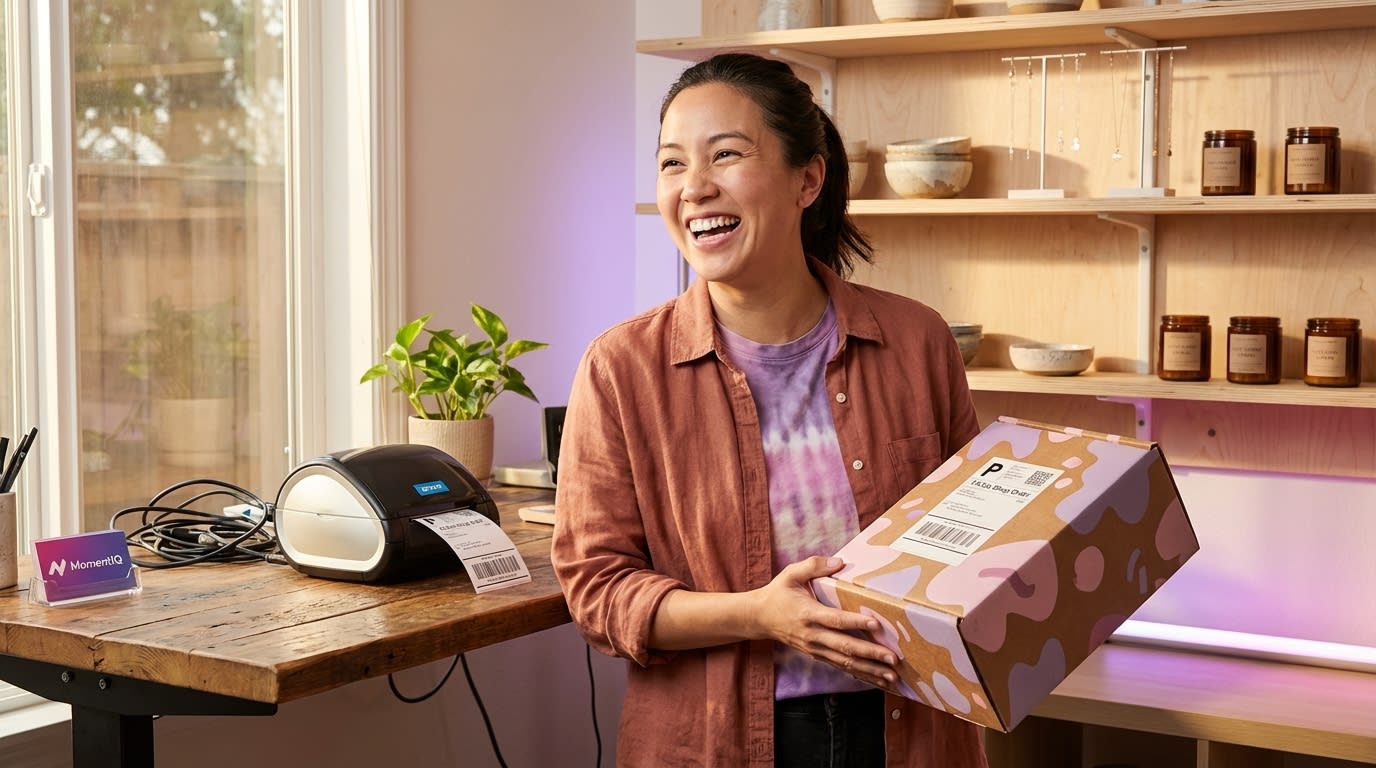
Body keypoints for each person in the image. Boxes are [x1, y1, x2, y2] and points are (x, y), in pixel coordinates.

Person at [551, 52, 987, 767]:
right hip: (716, 740)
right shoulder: (622, 368)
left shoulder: (916, 341)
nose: (694, 188)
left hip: (910, 728)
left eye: (726, 154)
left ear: (807, 180)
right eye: (671, 164)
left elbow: (970, 540)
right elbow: (598, 591)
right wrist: (760, 614)